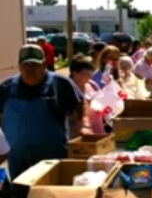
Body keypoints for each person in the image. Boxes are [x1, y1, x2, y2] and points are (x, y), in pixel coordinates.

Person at [0, 44, 88, 180]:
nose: (30, 69)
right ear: (19, 66)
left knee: (51, 197)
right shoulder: (6, 88)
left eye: (34, 65)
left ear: (44, 65)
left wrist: (82, 127)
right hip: (19, 161)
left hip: (52, 160)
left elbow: (79, 105)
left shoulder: (60, 84)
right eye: (26, 65)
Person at [69, 54, 105, 135]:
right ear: (74, 73)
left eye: (90, 75)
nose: (88, 79)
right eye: (86, 75)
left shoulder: (93, 85)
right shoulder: (66, 89)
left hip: (96, 132)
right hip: (76, 134)